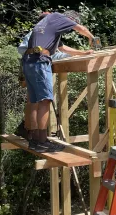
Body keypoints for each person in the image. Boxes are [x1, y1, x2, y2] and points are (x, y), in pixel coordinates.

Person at [22, 10, 95, 152]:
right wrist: (92, 38)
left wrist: (83, 53)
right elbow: (81, 29)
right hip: (40, 62)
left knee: (35, 100)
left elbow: (62, 48)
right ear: (70, 19)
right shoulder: (59, 17)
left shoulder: (48, 25)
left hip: (29, 61)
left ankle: (33, 138)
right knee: (45, 100)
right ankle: (42, 141)